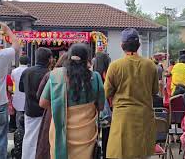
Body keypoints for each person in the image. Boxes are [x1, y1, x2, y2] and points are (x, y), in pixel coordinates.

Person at [39, 44, 106, 159]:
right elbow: (100, 106)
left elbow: (43, 103)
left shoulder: (56, 76)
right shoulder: (95, 77)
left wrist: (59, 106)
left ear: (69, 58)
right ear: (87, 59)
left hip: (61, 132)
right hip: (86, 135)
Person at [104, 28, 159, 159]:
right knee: (142, 154)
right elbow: (155, 91)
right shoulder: (150, 65)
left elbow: (106, 92)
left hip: (123, 119)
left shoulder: (115, 66)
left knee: (120, 153)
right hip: (144, 118)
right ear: (139, 45)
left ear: (122, 46)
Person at [20, 47, 53, 159]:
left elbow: (21, 89)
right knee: (42, 139)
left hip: (29, 109)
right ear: (49, 59)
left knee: (28, 136)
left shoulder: (26, 71)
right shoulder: (49, 74)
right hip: (43, 111)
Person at [35, 53, 68, 159]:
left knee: (48, 141)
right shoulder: (76, 75)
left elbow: (40, 96)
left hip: (52, 111)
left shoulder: (51, 74)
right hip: (69, 114)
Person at [0, 22, 20, 158]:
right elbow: (16, 46)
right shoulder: (3, 55)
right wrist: (7, 30)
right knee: (1, 137)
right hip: (1, 103)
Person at [11, 55, 29, 130]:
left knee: (18, 115)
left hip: (17, 95)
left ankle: (19, 133)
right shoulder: (29, 70)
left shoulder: (14, 71)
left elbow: (13, 81)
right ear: (28, 62)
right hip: (27, 96)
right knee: (27, 118)